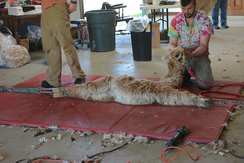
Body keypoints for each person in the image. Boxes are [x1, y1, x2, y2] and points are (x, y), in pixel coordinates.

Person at [168, 0, 214, 90]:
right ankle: (187, 74)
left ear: (195, 5)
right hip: (181, 57)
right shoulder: (175, 20)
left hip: (199, 55)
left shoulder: (204, 20)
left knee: (205, 85)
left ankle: (201, 66)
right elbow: (172, 44)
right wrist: (177, 53)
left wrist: (191, 55)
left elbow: (204, 46)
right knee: (171, 82)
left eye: (189, 8)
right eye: (183, 9)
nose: (186, 12)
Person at [41, 0, 86, 88]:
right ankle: (53, 80)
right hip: (45, 8)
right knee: (50, 45)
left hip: (57, 6)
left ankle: (79, 76)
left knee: (66, 43)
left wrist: (74, 1)